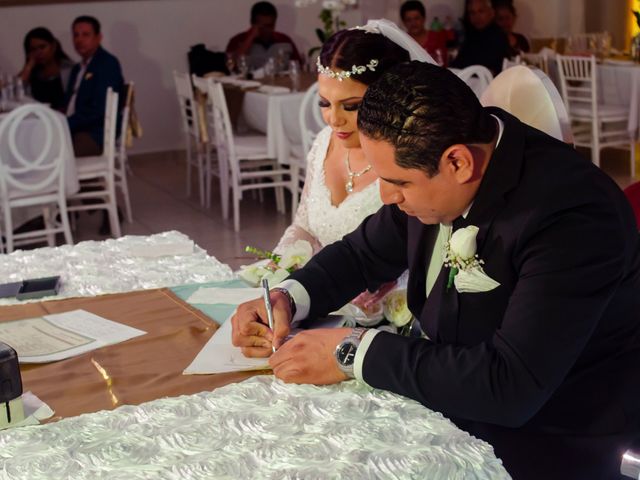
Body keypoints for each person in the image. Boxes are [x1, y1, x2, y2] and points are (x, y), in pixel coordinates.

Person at [232, 61, 640, 479]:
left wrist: (351, 350)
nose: (386, 196)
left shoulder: (574, 215)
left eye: (398, 183)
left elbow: (511, 384)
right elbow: (361, 253)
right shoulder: (436, 157)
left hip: (545, 437)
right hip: (446, 397)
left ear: (458, 163)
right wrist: (289, 297)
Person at [273, 19, 434, 319]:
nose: (333, 120)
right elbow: (304, 225)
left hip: (390, 311)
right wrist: (283, 261)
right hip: (323, 294)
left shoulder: (410, 159)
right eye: (325, 102)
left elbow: (422, 249)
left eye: (350, 106)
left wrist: (386, 285)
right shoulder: (323, 142)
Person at [64, 15, 124, 157]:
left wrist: (66, 124)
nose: (79, 40)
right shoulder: (77, 68)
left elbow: (99, 109)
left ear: (98, 37)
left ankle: (75, 179)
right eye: (76, 35)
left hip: (96, 132)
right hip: (75, 127)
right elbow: (68, 102)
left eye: (85, 35)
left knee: (56, 154)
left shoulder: (106, 64)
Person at [226, 1, 302, 71]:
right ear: (253, 24)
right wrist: (250, 38)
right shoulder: (237, 40)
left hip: (280, 84)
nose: (268, 30)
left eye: (271, 26)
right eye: (263, 27)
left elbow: (299, 67)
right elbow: (232, 65)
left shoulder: (285, 40)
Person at [18, 27, 74, 111]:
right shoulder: (32, 73)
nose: (38, 53)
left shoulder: (69, 69)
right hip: (37, 119)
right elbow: (16, 91)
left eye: (42, 47)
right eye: (33, 49)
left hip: (63, 119)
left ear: (53, 46)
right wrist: (28, 67)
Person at [451, 0, 510, 74]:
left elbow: (494, 69)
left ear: (491, 13)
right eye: (472, 13)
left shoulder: (498, 37)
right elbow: (458, 63)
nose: (476, 17)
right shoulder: (471, 34)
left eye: (481, 11)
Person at [399, 0, 449, 66]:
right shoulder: (401, 42)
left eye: (416, 18)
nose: (413, 23)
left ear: (424, 18)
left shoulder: (436, 38)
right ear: (404, 22)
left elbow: (442, 66)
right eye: (409, 20)